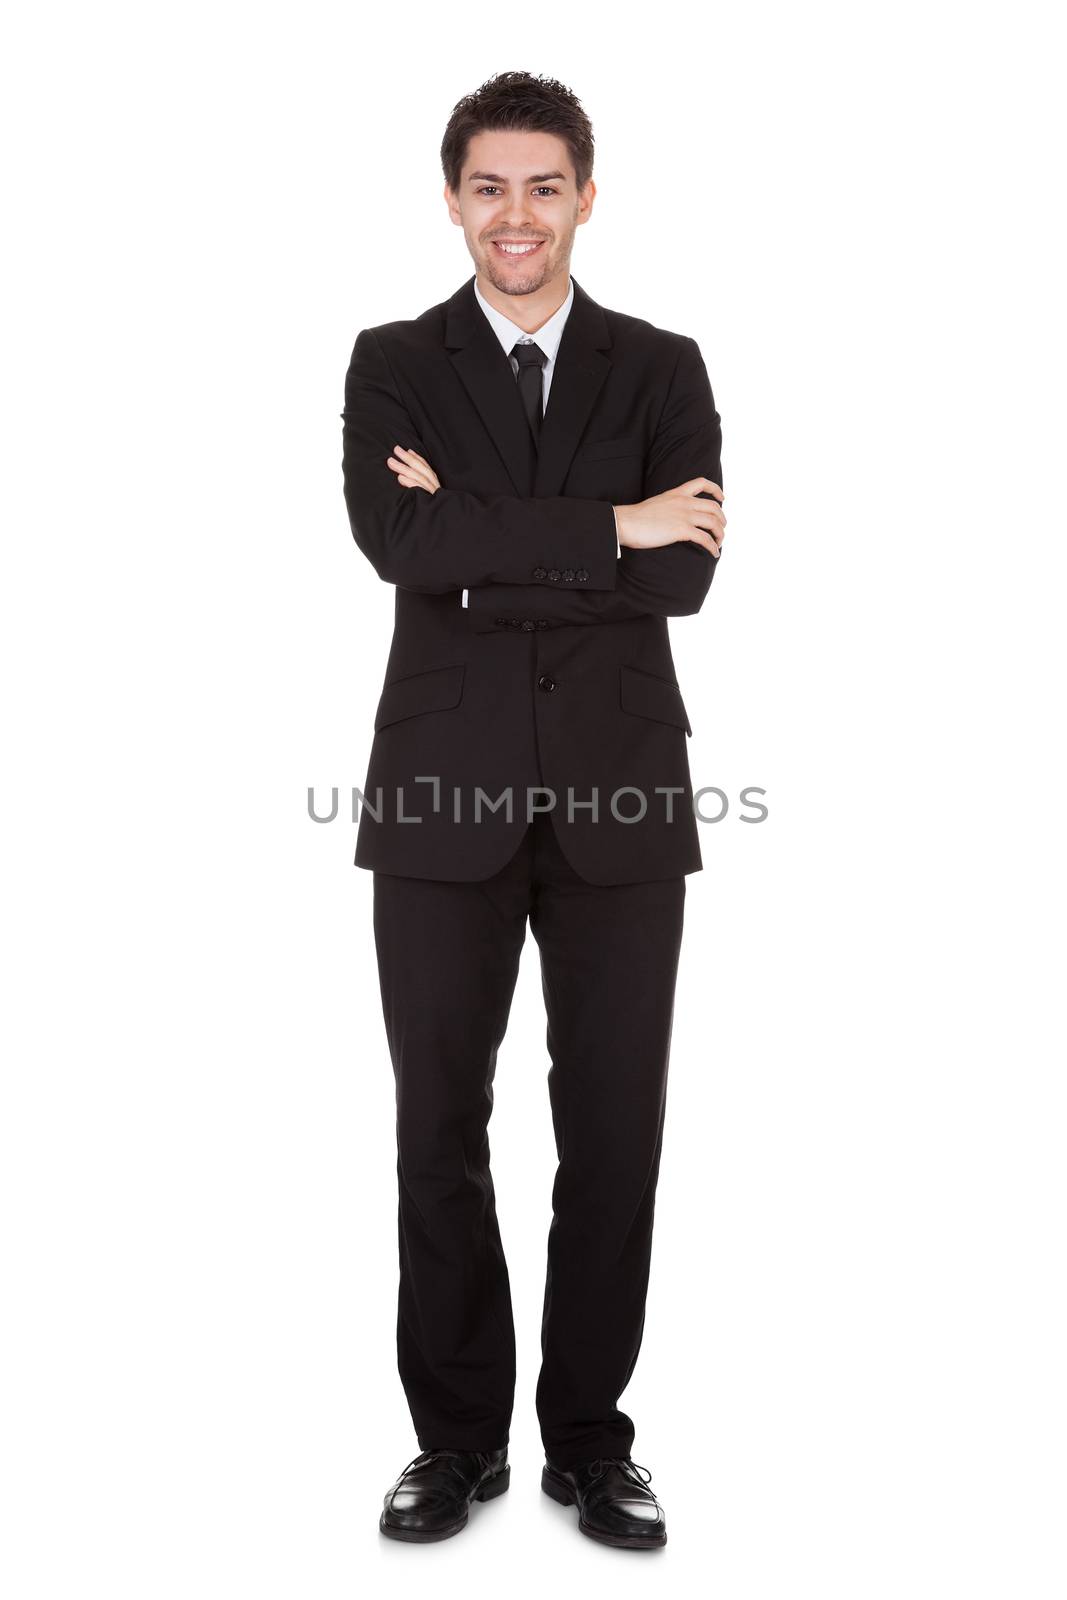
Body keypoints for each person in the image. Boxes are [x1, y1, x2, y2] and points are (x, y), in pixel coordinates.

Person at [341, 70, 725, 1549]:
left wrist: (490, 542)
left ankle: (588, 1440)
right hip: (439, 795)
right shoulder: (392, 362)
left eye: (543, 185)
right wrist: (605, 528)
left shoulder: (662, 366)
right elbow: (396, 542)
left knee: (614, 1132)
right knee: (438, 1127)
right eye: (488, 186)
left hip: (625, 795)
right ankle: (454, 1444)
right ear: (454, 199)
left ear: (584, 195)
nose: (516, 214)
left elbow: (682, 574)